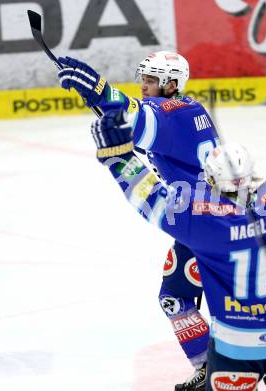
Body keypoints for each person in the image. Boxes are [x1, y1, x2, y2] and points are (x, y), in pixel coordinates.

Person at [87, 74, 266, 390]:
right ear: (251, 173)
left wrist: (118, 158)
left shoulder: (201, 220)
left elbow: (151, 197)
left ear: (212, 179)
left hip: (235, 349)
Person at [56, 51, 219, 390]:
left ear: (171, 84)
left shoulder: (170, 114)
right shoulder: (189, 110)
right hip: (205, 220)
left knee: (181, 299)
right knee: (185, 298)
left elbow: (135, 116)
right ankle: (216, 369)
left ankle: (219, 370)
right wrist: (98, 99)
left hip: (201, 225)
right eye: (142, 78)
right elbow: (134, 123)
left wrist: (98, 88)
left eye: (151, 80)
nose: (144, 85)